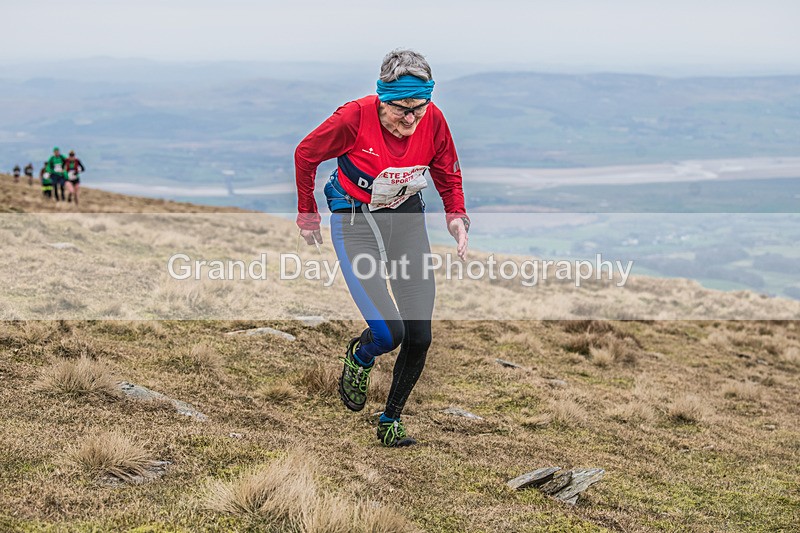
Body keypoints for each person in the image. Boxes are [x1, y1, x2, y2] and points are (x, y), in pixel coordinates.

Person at [294, 49, 470, 447]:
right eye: (400, 109)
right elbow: (305, 154)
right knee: (389, 332)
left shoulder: (434, 120)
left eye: (418, 108)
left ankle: (391, 419)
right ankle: (360, 356)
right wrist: (308, 214)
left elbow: (447, 168)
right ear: (381, 97)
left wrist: (456, 215)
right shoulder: (353, 117)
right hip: (355, 221)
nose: (410, 119)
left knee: (419, 335)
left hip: (404, 220)